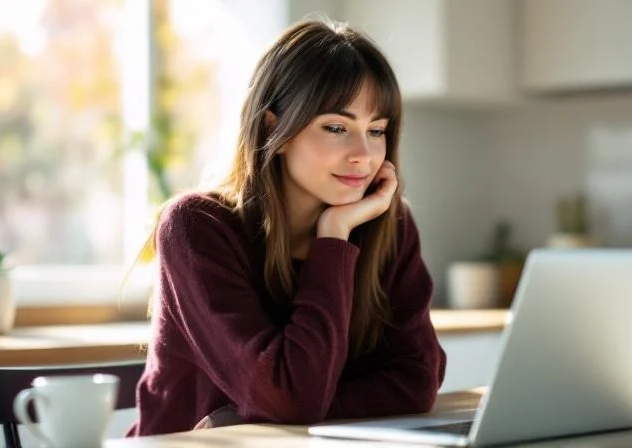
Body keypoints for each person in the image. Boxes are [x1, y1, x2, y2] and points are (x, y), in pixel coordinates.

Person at [127, 18, 446, 436]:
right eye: (336, 128)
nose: (364, 155)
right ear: (273, 126)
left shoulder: (388, 226)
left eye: (376, 130)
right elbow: (291, 398)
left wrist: (254, 415)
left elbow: (418, 380)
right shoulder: (195, 227)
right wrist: (332, 241)